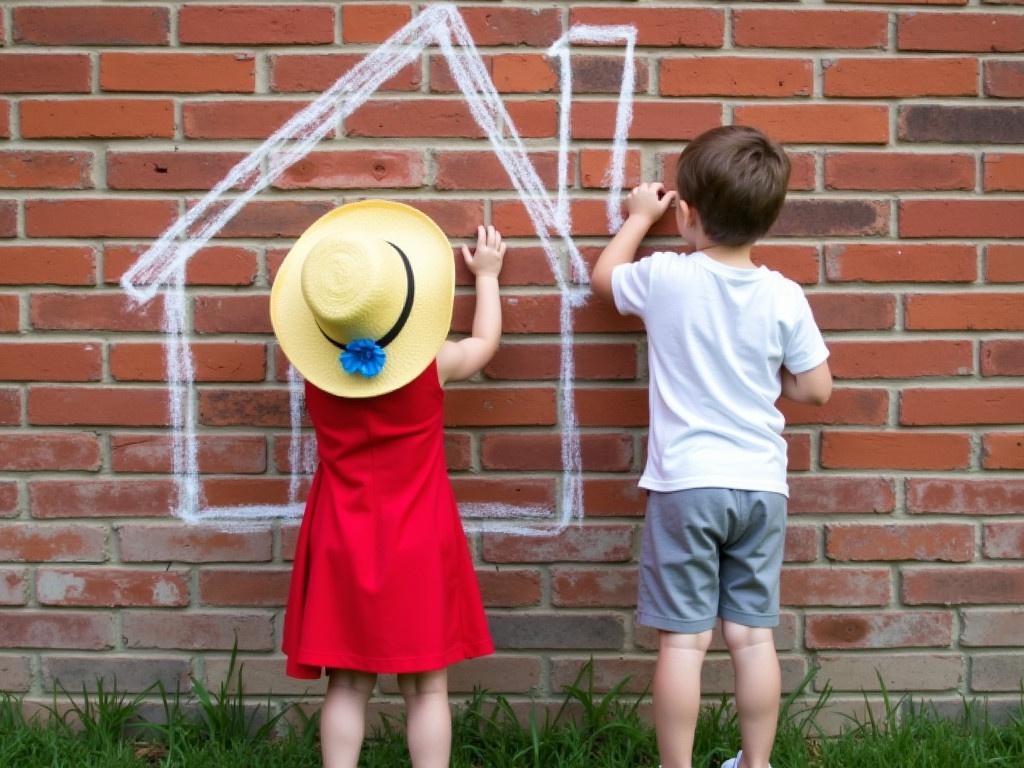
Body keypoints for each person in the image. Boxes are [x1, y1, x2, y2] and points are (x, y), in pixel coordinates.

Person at [591, 125, 832, 768]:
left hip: (687, 485)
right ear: (768, 219)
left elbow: (605, 280)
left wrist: (640, 218)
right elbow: (815, 389)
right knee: (752, 639)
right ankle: (756, 764)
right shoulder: (784, 295)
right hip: (759, 487)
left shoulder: (667, 277)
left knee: (684, 645)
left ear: (688, 215)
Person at [270, 200, 506, 768]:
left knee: (348, 685)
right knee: (427, 688)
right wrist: (489, 279)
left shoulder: (319, 376)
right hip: (418, 539)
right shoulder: (434, 364)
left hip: (340, 538)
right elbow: (484, 345)